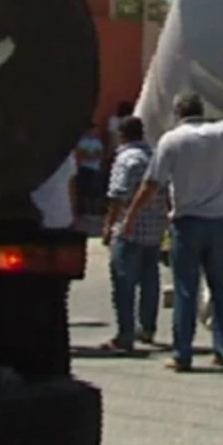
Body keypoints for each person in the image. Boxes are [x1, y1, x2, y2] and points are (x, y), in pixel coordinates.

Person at [122, 92, 223, 372]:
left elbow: (151, 184)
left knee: (186, 289)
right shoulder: (217, 133)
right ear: (201, 111)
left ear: (178, 114)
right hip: (219, 223)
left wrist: (131, 217)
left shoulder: (171, 140)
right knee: (222, 287)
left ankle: (182, 354)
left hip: (186, 224)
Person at [99, 116, 168, 352]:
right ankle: (147, 328)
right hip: (154, 229)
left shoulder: (126, 159)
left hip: (129, 229)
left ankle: (125, 334)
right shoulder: (154, 156)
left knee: (123, 282)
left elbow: (118, 195)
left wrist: (109, 226)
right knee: (150, 280)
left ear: (122, 135)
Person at [30, 152, 79, 229]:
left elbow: (71, 185)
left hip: (64, 219)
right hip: (38, 219)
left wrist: (74, 216)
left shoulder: (67, 153)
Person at [75, 123, 104, 216]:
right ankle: (83, 210)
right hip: (84, 168)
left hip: (95, 169)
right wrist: (91, 156)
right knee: (83, 189)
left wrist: (90, 155)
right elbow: (81, 154)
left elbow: (100, 154)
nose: (93, 132)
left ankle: (94, 210)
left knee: (95, 189)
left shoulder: (97, 142)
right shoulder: (82, 141)